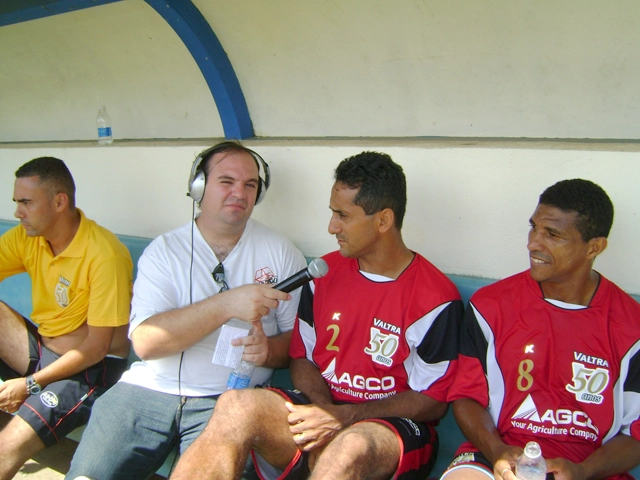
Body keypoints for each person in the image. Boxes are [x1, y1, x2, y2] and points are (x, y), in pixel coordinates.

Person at [170, 151, 464, 480]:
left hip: (391, 427)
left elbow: (432, 401)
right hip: (322, 405)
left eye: (343, 215)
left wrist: (347, 416)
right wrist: (324, 410)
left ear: (383, 221)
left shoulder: (434, 298)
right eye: (331, 213)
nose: (331, 226)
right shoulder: (323, 274)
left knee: (347, 449)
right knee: (235, 406)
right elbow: (302, 358)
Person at [67, 141, 307, 480]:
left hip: (230, 401)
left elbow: (295, 346)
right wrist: (226, 305)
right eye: (226, 181)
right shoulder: (164, 251)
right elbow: (147, 343)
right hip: (147, 391)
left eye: (250, 184)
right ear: (198, 187)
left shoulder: (282, 253)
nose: (239, 192)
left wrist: (268, 351)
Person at [441, 179, 640, 480]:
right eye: (534, 228)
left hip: (588, 469)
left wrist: (584, 470)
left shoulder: (631, 327)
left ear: (594, 247)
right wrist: (496, 450)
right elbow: (466, 397)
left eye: (553, 235)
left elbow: (636, 435)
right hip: (498, 454)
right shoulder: (490, 307)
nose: (533, 242)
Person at [0, 157, 133, 478]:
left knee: (4, 450)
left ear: (60, 202)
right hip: (42, 353)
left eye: (27, 202)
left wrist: (30, 384)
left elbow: (97, 348)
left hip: (89, 372)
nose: (18, 212)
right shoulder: (27, 237)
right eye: (17, 202)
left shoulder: (104, 254)